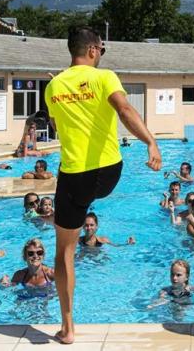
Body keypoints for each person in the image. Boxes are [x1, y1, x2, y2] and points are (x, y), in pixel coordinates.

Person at [44, 26, 161, 344]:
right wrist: (151, 142)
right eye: (102, 51)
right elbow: (124, 109)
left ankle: (68, 328)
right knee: (89, 208)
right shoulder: (104, 77)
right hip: (109, 172)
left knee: (64, 252)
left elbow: (56, 126)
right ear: (93, 50)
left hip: (75, 177)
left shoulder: (53, 86)